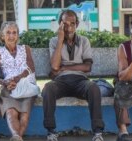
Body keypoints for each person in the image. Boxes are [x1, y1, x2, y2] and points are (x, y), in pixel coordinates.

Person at [42, 9, 105, 141]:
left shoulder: (84, 41)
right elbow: (54, 66)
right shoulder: (54, 41)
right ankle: (51, 132)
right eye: (65, 24)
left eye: (72, 24)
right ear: (60, 24)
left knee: (93, 88)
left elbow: (87, 66)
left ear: (77, 24)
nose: (69, 28)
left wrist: (64, 67)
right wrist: (60, 40)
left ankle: (98, 133)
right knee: (48, 88)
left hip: (80, 81)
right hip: (61, 81)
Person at [0, 21, 37, 141]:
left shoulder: (25, 49)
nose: (11, 36)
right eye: (8, 33)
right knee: (11, 112)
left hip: (26, 86)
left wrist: (18, 78)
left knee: (24, 114)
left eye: (14, 32)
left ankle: (16, 137)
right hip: (9, 87)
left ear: (18, 35)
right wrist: (4, 82)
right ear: (2, 36)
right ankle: (17, 137)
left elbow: (31, 68)